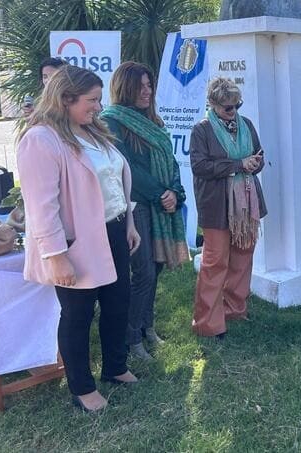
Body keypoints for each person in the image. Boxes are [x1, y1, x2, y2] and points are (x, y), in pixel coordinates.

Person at [17, 65, 140, 412]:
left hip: (114, 230)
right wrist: (56, 255)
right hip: (77, 242)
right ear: (65, 98)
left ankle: (115, 367)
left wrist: (129, 223)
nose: (98, 107)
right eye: (92, 100)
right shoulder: (40, 139)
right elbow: (42, 206)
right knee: (78, 314)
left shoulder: (93, 132)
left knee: (118, 303)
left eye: (99, 100)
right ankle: (81, 388)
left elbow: (114, 182)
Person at [101, 62, 190, 360]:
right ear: (124, 88)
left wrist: (176, 193)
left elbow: (172, 163)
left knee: (158, 266)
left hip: (161, 205)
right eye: (140, 86)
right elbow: (126, 167)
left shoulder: (154, 121)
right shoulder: (111, 121)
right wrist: (159, 193)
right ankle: (132, 338)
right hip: (135, 206)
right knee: (144, 272)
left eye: (149, 85)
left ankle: (146, 327)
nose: (146, 91)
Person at [189, 77, 267, 339]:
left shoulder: (246, 124)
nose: (233, 111)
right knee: (215, 261)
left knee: (243, 257)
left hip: (247, 202)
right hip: (216, 205)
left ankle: (235, 309)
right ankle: (207, 322)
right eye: (228, 107)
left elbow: (259, 155)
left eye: (237, 105)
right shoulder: (201, 130)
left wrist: (256, 163)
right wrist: (237, 165)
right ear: (213, 104)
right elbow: (200, 167)